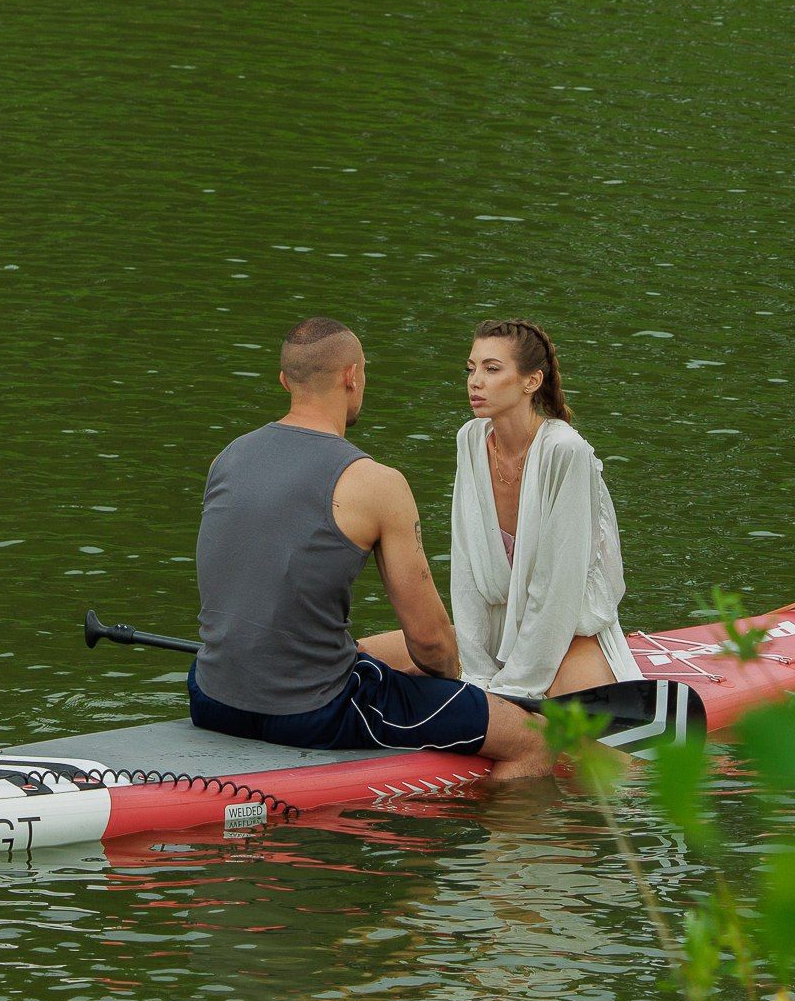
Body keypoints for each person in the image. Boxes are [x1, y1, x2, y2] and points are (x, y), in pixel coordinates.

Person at [187, 316, 554, 782]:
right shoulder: (376, 483)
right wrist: (461, 689)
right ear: (352, 377)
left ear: (285, 381)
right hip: (314, 713)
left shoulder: (228, 458)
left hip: (211, 698)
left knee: (409, 649)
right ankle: (481, 844)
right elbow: (431, 644)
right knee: (535, 741)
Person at [362, 318, 636, 699]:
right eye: (471, 369)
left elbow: (558, 590)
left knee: (580, 730)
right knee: (362, 657)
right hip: (494, 635)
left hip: (567, 632)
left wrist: (512, 689)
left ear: (531, 381)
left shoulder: (565, 451)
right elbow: (467, 571)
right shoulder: (471, 439)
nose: (475, 381)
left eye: (492, 369)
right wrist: (475, 675)